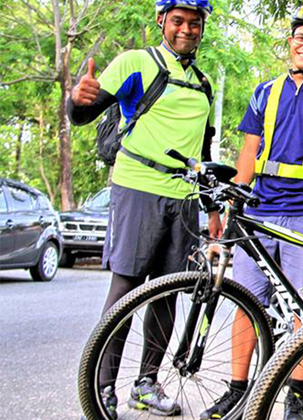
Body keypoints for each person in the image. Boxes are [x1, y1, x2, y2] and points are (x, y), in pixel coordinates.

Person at [199, 4, 303, 420]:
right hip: (259, 211)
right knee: (246, 302)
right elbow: (249, 152)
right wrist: (234, 198)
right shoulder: (264, 91)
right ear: (290, 42)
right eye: (301, 38)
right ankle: (237, 390)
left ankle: (295, 396)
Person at [68, 1, 219, 417]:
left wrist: (210, 208)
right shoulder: (138, 62)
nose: (186, 29)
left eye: (194, 23)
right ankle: (103, 386)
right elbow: (86, 112)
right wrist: (76, 101)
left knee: (167, 296)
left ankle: (146, 384)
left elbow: (201, 152)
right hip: (137, 189)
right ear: (161, 22)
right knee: (126, 289)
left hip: (184, 198)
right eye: (178, 21)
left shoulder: (202, 83)